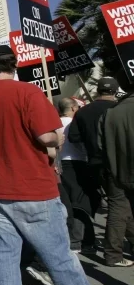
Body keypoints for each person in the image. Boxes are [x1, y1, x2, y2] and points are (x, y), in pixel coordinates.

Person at [0, 45, 128, 285]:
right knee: (60, 259)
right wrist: (58, 137)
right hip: (33, 189)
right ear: (14, 65)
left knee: (7, 261)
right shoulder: (28, 93)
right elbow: (45, 136)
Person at [69, 77, 131, 266]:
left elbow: (74, 137)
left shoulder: (83, 112)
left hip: (98, 164)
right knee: (119, 206)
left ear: (98, 91)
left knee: (121, 205)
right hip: (119, 163)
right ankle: (113, 252)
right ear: (114, 91)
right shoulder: (117, 109)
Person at [99, 70, 134, 265]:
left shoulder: (111, 113)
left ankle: (113, 254)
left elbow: (100, 144)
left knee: (118, 211)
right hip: (119, 170)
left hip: (116, 170)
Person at [57, 98, 97, 255]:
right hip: (77, 164)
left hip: (60, 165)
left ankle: (78, 239)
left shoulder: (55, 122)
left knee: (68, 205)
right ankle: (80, 241)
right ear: (73, 108)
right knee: (79, 205)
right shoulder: (75, 122)